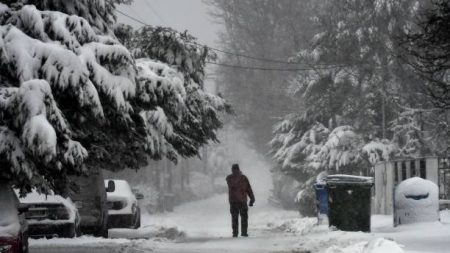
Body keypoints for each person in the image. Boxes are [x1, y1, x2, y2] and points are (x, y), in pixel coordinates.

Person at [226, 164, 255, 237]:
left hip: (233, 201)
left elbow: (231, 185)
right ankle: (244, 232)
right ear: (239, 169)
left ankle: (235, 233)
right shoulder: (243, 178)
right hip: (242, 201)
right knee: (244, 217)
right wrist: (252, 198)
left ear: (232, 170)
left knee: (234, 218)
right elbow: (248, 189)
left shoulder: (229, 178)